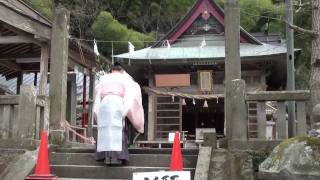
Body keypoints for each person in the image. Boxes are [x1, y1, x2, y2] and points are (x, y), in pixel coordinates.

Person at [94, 62, 144, 165]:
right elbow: (130, 95)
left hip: (104, 104)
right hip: (118, 103)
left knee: (104, 130)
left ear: (112, 70)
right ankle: (118, 157)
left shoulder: (104, 78)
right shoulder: (125, 79)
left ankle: (104, 156)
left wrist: (96, 111)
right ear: (121, 70)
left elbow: (97, 92)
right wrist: (126, 111)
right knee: (118, 130)